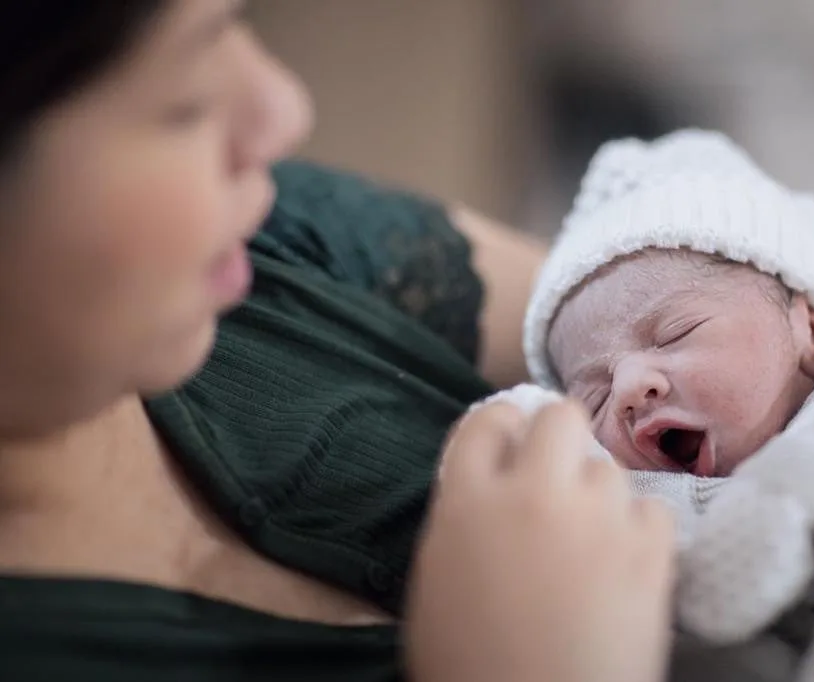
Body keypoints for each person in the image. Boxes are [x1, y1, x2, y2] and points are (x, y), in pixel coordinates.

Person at [0, 2, 675, 681]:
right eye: (181, 101)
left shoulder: (262, 244)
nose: (285, 109)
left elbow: (713, 314)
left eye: (236, 21)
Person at [464, 129, 814, 645]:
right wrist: (522, 423)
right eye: (594, 395)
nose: (629, 389)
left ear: (813, 334)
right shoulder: (651, 489)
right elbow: (561, 485)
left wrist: (794, 487)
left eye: (674, 334)